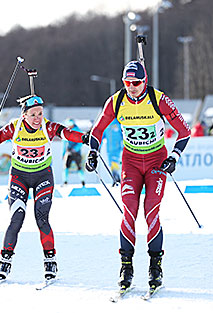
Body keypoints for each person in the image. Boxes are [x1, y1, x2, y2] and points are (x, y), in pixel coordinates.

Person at [85, 61, 191, 292]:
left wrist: (174, 156)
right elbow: (97, 129)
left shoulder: (158, 99)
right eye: (127, 82)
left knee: (151, 209)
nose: (131, 87)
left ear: (145, 81)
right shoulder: (116, 101)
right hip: (131, 162)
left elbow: (184, 131)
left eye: (136, 83)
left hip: (156, 162)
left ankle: (155, 267)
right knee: (129, 210)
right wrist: (93, 152)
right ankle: (126, 267)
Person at [0, 94, 88, 282]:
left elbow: (67, 133)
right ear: (24, 115)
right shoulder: (14, 128)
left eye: (40, 113)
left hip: (43, 177)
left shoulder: (47, 127)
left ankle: (50, 261)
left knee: (42, 218)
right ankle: (5, 261)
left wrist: (86, 139)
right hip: (19, 177)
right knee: (17, 218)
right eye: (33, 115)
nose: (38, 118)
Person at [62, 118, 85, 186]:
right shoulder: (66, 131)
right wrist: (64, 153)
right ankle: (65, 181)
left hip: (76, 153)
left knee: (79, 167)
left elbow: (80, 142)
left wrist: (75, 149)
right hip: (69, 152)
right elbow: (64, 143)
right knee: (66, 167)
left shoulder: (78, 131)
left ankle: (83, 181)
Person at [102, 118, 123, 183]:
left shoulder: (118, 124)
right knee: (112, 163)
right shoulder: (106, 125)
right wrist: (98, 146)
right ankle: (115, 178)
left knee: (117, 163)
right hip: (110, 148)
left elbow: (123, 135)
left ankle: (118, 178)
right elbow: (102, 136)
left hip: (118, 148)